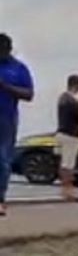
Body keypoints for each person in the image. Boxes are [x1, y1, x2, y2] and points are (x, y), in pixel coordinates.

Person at [0, 33, 35, 217]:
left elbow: (29, 94)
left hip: (6, 118)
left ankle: (0, 200)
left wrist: (5, 86)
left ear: (8, 49)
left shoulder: (19, 68)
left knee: (3, 160)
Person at [55, 74, 78, 202]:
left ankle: (64, 189)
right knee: (69, 164)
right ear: (75, 85)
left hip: (61, 132)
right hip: (71, 135)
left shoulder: (62, 98)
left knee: (64, 162)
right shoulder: (73, 102)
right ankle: (68, 191)